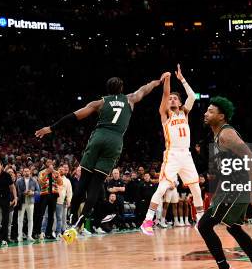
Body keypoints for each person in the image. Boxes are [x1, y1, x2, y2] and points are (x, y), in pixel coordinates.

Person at [35, 74, 164, 244]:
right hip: (115, 140)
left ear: (108, 90)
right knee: (96, 185)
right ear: (122, 88)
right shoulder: (130, 99)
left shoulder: (100, 102)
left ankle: (71, 217)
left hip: (99, 136)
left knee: (83, 182)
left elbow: (75, 115)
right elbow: (145, 89)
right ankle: (79, 222)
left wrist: (51, 128)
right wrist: (157, 82)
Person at [197, 96, 252, 269]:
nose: (206, 113)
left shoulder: (226, 134)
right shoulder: (216, 136)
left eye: (211, 111)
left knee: (204, 225)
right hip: (230, 188)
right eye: (206, 110)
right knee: (234, 228)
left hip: (237, 188)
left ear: (221, 116)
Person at [141, 65, 204, 235]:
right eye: (171, 99)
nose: (172, 100)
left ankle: (200, 220)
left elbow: (192, 95)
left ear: (180, 102)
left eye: (175, 98)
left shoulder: (185, 113)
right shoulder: (165, 114)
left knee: (196, 189)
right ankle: (147, 220)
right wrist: (168, 80)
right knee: (162, 188)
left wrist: (182, 79)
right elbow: (165, 95)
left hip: (187, 155)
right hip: (173, 154)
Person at [16, 167, 40, 241]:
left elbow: (38, 192)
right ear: (23, 172)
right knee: (20, 219)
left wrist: (32, 193)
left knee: (30, 219)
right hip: (21, 202)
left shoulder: (34, 180)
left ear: (30, 172)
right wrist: (24, 193)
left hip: (31, 202)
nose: (26, 172)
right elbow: (17, 192)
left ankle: (29, 235)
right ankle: (20, 236)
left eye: (27, 171)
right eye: (25, 171)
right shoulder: (18, 181)